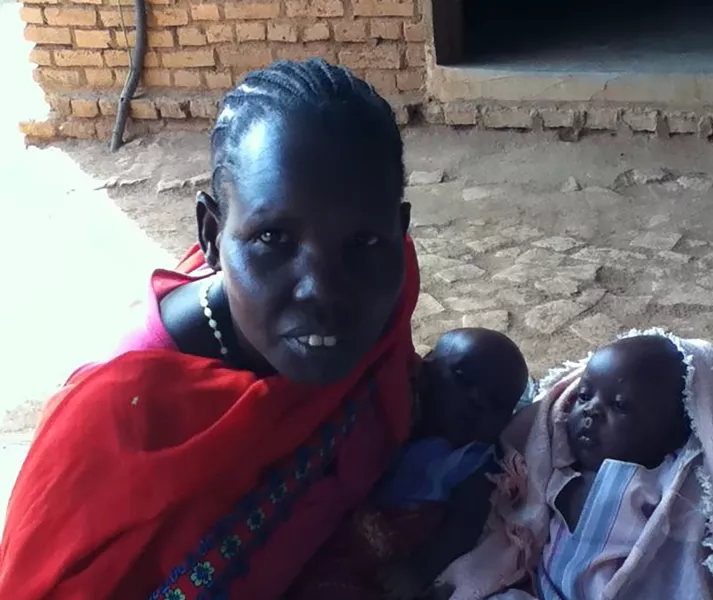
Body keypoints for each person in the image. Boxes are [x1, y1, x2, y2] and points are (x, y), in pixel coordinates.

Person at [0, 59, 422, 600]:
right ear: (211, 233)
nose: (323, 291)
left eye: (363, 242)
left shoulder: (391, 278)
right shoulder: (117, 427)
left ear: (398, 231)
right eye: (273, 239)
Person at [435, 329, 713, 600]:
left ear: (672, 433)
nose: (590, 411)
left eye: (619, 406)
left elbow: (683, 574)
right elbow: (523, 526)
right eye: (584, 395)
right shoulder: (559, 466)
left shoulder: (670, 495)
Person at [288, 328, 533, 600]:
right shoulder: (387, 410)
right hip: (328, 542)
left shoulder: (472, 460)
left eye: (496, 402)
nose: (476, 400)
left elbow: (462, 527)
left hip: (387, 570)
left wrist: (420, 568)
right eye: (463, 378)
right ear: (425, 366)